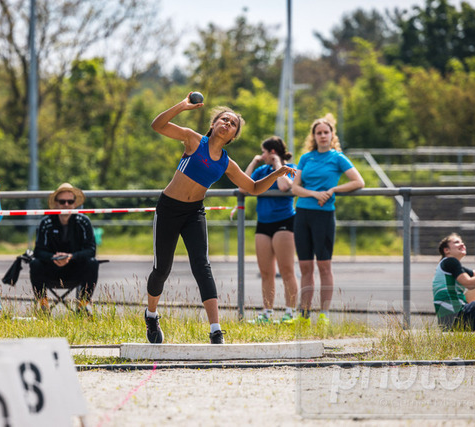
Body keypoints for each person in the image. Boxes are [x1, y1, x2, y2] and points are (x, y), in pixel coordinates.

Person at [146, 93, 295, 344]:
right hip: (169, 209)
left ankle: (216, 330)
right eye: (223, 119)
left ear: (233, 135)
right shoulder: (193, 140)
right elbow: (157, 125)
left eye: (232, 123)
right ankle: (151, 315)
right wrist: (183, 106)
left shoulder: (227, 163)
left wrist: (277, 173)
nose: (227, 124)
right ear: (214, 124)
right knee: (162, 269)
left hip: (194, 212)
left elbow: (253, 188)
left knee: (202, 266)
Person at [291, 114, 365, 326]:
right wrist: (314, 193)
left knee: (324, 266)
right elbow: (295, 187)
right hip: (302, 214)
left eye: (326, 132)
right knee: (305, 267)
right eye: (319, 133)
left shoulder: (338, 158)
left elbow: (358, 182)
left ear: (332, 135)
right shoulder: (306, 158)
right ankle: (304, 315)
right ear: (314, 136)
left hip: (323, 216)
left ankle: (323, 314)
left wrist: (333, 190)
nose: (322, 136)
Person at [242, 136, 298, 325]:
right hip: (263, 223)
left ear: (272, 152)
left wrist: (277, 165)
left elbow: (284, 186)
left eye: (264, 152)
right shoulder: (262, 171)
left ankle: (290, 312)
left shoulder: (291, 169)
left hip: (284, 222)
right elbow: (243, 188)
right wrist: (254, 162)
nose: (262, 155)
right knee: (266, 272)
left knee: (286, 270)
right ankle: (267, 313)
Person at [29, 183, 99, 314]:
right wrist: (53, 258)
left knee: (92, 263)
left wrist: (71, 257)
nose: (66, 205)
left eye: (70, 201)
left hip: (75, 269)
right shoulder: (46, 222)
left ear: (75, 204)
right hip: (51, 269)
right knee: (35, 263)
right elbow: (38, 251)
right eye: (62, 202)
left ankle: (83, 306)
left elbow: (91, 250)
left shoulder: (84, 221)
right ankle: (43, 305)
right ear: (56, 203)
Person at [433, 233, 475, 331]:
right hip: (461, 319)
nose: (462, 244)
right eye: (457, 242)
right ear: (446, 250)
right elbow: (470, 284)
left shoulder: (448, 265)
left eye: (462, 242)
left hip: (450, 323)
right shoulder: (451, 262)